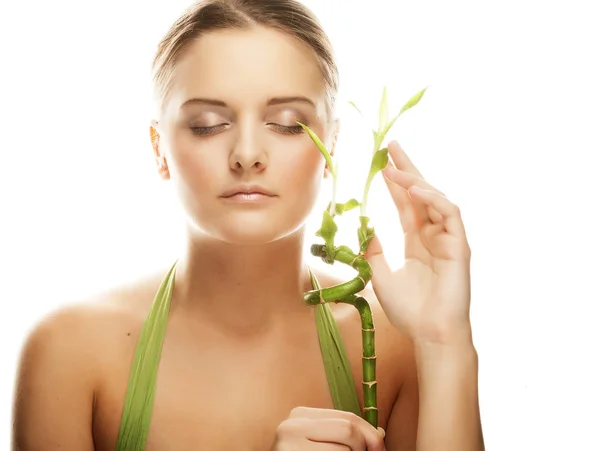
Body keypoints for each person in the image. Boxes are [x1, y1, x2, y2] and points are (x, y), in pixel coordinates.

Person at [11, 0, 485, 450]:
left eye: (286, 123)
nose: (247, 155)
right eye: (209, 123)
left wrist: (445, 343)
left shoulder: (393, 346)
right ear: (159, 149)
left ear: (330, 146)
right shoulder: (71, 354)